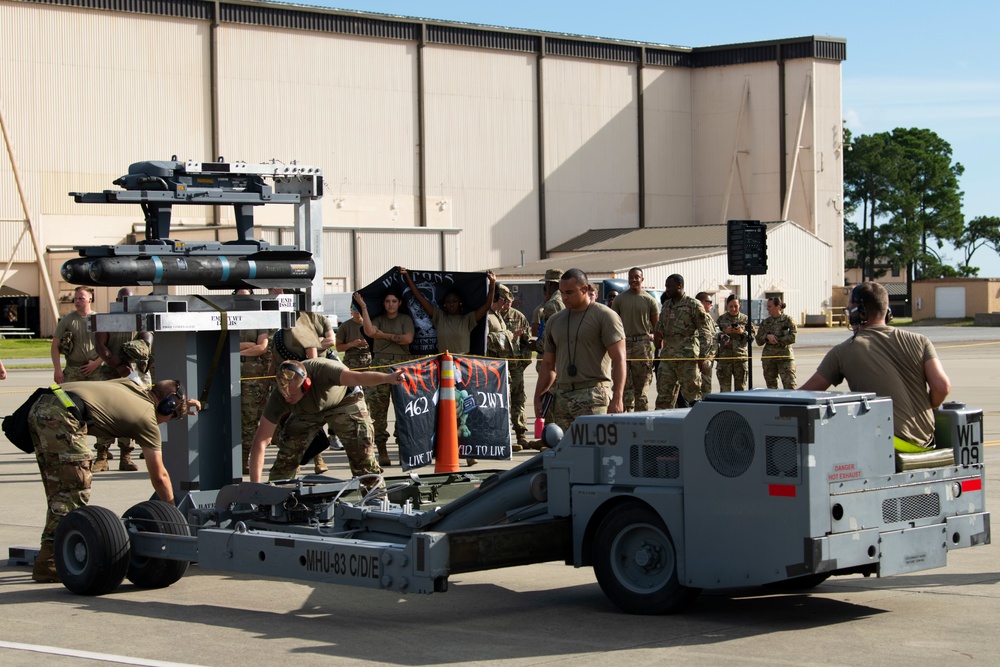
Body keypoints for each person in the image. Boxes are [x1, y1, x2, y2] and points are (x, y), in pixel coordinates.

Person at [29, 377, 200, 583]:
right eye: (172, 417)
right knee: (73, 488)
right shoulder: (147, 420)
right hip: (63, 416)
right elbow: (160, 476)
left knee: (59, 490)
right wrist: (173, 516)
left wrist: (183, 403)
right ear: (166, 408)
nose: (167, 421)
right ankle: (49, 562)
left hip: (42, 403)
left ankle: (49, 555)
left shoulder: (133, 387)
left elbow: (162, 395)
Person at [800, 282, 951, 451]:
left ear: (858, 312)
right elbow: (942, 387)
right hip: (926, 441)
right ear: (887, 311)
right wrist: (927, 407)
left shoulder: (843, 351)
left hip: (888, 444)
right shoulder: (920, 341)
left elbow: (805, 395)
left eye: (850, 308)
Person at [248, 358, 406, 485]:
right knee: (287, 455)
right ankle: (279, 495)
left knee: (361, 452)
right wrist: (255, 487)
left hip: (344, 402)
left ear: (306, 384)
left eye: (292, 395)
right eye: (284, 395)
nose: (288, 399)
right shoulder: (280, 396)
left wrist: (388, 378)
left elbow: (358, 377)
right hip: (307, 412)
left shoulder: (323, 370)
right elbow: (261, 441)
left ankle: (374, 496)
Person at [401, 267, 496, 466]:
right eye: (448, 301)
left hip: (463, 371)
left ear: (460, 304)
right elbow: (419, 297)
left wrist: (493, 283)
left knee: (467, 411)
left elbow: (487, 305)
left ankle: (469, 452)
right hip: (443, 372)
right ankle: (442, 448)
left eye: (454, 301)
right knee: (445, 410)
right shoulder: (438, 317)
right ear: (444, 304)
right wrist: (408, 278)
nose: (451, 304)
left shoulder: (468, 319)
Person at [533, 269, 626, 434]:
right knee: (566, 454)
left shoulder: (605, 316)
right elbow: (548, 364)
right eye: (562, 292)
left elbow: (619, 360)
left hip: (593, 396)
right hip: (562, 398)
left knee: (595, 452)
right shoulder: (555, 321)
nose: (565, 297)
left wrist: (617, 398)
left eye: (570, 292)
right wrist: (538, 396)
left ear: (584, 290)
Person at [51, 286, 117, 469]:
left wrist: (97, 362)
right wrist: (58, 370)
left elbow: (107, 345)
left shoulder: (99, 319)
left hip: (96, 371)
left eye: (81, 298)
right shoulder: (67, 320)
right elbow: (55, 346)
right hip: (73, 371)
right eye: (76, 298)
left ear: (90, 299)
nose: (78, 301)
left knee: (100, 411)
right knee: (70, 410)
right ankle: (76, 450)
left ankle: (102, 455)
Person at [270, 297, 337, 473]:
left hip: (305, 379)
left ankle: (318, 460)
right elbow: (274, 359)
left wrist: (316, 343)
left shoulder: (318, 321)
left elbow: (325, 346)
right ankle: (294, 461)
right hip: (285, 381)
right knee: (285, 422)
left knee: (312, 420)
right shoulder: (282, 330)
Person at [353, 287, 414, 467]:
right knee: (378, 412)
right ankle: (382, 451)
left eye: (394, 301)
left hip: (401, 366)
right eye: (387, 301)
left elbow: (408, 338)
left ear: (400, 303)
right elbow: (371, 332)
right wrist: (364, 307)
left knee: (403, 410)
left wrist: (384, 335)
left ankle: (403, 447)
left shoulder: (405, 319)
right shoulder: (378, 319)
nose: (391, 305)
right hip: (380, 366)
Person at [94, 287, 153, 472]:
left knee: (129, 415)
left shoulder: (140, 319)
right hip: (111, 371)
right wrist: (117, 364)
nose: (127, 304)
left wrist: (134, 360)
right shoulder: (107, 319)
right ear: (117, 300)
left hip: (132, 372)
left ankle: (126, 456)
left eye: (130, 300)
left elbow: (146, 342)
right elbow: (100, 345)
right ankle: (102, 457)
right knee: (104, 414)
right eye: (124, 300)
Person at [654, 274, 713, 409]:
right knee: (664, 397)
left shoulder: (693, 305)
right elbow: (660, 327)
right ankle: (663, 426)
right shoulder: (667, 305)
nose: (667, 289)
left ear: (679, 286)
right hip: (668, 359)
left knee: (693, 397)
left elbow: (705, 333)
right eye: (666, 286)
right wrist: (658, 334)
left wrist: (703, 357)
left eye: (669, 286)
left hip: (687, 359)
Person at [611, 268, 659, 412]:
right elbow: (613, 323)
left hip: (642, 345)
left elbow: (657, 327)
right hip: (623, 344)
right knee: (624, 387)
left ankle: (641, 418)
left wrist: (658, 352)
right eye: (630, 277)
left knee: (642, 387)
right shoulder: (619, 299)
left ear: (642, 279)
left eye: (636, 277)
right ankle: (625, 418)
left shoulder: (650, 300)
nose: (633, 280)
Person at [498, 285, 532, 450]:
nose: (508, 304)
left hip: (515, 366)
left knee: (518, 400)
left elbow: (527, 342)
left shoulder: (519, 317)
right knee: (499, 401)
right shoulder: (491, 317)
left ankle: (521, 435)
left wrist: (523, 363)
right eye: (504, 301)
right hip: (497, 367)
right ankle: (500, 437)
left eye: (510, 301)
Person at [755, 296, 797, 389]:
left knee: (790, 386)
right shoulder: (765, 322)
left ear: (777, 307)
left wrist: (777, 339)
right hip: (769, 359)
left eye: (769, 306)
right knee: (771, 388)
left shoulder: (788, 320)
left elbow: (793, 337)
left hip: (785, 359)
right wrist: (767, 337)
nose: (767, 308)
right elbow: (758, 340)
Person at [715, 294, 750, 391]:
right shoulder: (721, 319)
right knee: (725, 389)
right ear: (727, 306)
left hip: (740, 358)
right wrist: (724, 332)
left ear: (740, 305)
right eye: (731, 306)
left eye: (736, 306)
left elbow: (752, 337)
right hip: (724, 359)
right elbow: (713, 334)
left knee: (741, 389)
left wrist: (742, 332)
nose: (733, 309)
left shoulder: (745, 319)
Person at [694, 292, 718, 397]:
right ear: (702, 302)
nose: (711, 305)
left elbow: (714, 334)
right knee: (696, 388)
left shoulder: (708, 317)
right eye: (710, 302)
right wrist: (702, 357)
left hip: (708, 358)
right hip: (700, 359)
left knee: (706, 389)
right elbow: (703, 339)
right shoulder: (695, 317)